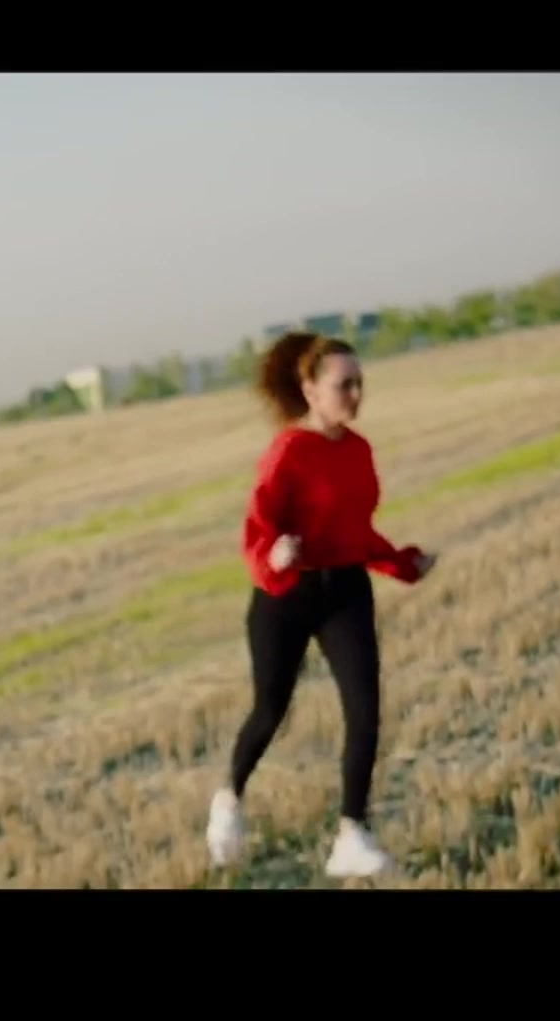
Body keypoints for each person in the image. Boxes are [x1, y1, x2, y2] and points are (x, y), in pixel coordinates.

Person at [205, 330, 437, 879]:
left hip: (345, 591)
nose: (356, 395)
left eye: (359, 383)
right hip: (286, 596)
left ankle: (352, 834)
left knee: (365, 708)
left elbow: (356, 532)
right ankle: (228, 800)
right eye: (344, 385)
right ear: (310, 391)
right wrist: (274, 558)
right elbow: (257, 528)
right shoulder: (287, 451)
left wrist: (403, 564)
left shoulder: (358, 451)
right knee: (270, 710)